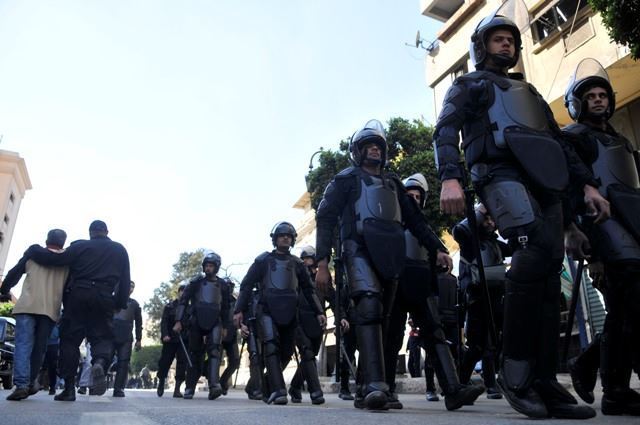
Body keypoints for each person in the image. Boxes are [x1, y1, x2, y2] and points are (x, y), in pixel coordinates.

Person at [433, 11, 609, 419]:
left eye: (511, 39)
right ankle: (515, 373)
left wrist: (585, 190)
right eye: (498, 39)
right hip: (498, 173)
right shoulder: (468, 85)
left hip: (544, 183)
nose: (507, 44)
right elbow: (445, 130)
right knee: (531, 256)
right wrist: (450, 178)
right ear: (481, 48)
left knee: (549, 267)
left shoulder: (529, 92)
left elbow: (558, 144)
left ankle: (545, 380)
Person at [315, 122, 454, 410]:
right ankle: (375, 387)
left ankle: (366, 388)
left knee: (385, 320)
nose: (374, 149)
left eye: (378, 145)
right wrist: (322, 262)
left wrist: (438, 248)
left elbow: (416, 221)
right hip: (357, 249)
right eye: (368, 145)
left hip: (391, 254)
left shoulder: (394, 184)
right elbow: (325, 218)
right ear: (357, 151)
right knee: (368, 306)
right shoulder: (345, 180)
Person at [562, 58, 640, 416]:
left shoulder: (621, 141)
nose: (598, 100)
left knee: (625, 309)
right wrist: (574, 232)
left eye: (602, 95)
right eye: (590, 96)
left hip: (632, 224)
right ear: (578, 103)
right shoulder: (573, 138)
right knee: (630, 302)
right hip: (601, 226)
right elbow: (564, 185)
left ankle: (592, 368)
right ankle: (613, 389)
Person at [383, 172, 482, 410]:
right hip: (395, 286)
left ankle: (453, 390)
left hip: (421, 287)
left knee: (436, 335)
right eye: (409, 196)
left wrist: (439, 253)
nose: (413, 200)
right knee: (391, 339)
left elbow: (430, 247)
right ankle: (385, 390)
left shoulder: (424, 228)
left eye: (418, 197)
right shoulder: (389, 225)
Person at [23, 220, 131, 401]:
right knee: (102, 336)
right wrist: (119, 304)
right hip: (104, 295)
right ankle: (99, 362)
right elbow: (125, 281)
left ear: (90, 233)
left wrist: (34, 250)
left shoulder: (80, 247)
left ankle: (69, 389)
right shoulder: (119, 249)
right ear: (106, 232)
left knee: (70, 341)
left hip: (78, 294)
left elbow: (55, 260)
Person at [234, 222, 326, 405]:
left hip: (291, 312)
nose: (285, 237)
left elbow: (309, 290)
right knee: (270, 346)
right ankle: (278, 391)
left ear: (293, 240)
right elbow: (246, 286)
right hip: (267, 310)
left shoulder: (297, 263)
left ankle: (277, 386)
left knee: (291, 351)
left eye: (289, 235)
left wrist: (319, 312)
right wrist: (238, 311)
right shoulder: (263, 261)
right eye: (282, 235)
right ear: (275, 239)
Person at [0, 229, 69, 401]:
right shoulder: (67, 262)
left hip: (27, 306)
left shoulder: (32, 255)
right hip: (50, 310)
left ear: (46, 240)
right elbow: (69, 289)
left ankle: (21, 385)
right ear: (63, 243)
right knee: (39, 348)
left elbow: (14, 273)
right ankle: (30, 382)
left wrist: (4, 290)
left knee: (23, 345)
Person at [452, 203, 510, 399]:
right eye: (487, 219)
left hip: (497, 296)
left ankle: (494, 382)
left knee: (497, 340)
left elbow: (516, 245)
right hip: (477, 297)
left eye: (493, 219)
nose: (490, 222)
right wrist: (482, 209)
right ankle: (462, 383)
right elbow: (459, 230)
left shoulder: (496, 244)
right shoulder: (470, 241)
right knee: (478, 345)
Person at [172, 252, 232, 400]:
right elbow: (183, 301)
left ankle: (214, 386)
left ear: (216, 267)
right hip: (196, 320)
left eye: (211, 266)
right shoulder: (196, 282)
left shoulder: (223, 285)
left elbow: (226, 307)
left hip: (215, 321)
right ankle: (189, 387)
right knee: (194, 354)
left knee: (215, 352)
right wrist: (179, 321)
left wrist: (225, 326)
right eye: (206, 265)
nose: (208, 268)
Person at [288, 246, 342, 405]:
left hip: (318, 323)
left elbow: (334, 300)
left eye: (310, 260)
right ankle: (315, 392)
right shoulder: (295, 279)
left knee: (309, 358)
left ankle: (295, 386)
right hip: (298, 322)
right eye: (304, 260)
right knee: (307, 354)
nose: (307, 263)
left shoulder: (321, 280)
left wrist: (341, 318)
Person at [111, 280, 142, 397]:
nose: (131, 289)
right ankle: (96, 384)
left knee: (123, 362)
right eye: (129, 286)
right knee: (105, 357)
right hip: (110, 334)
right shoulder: (111, 300)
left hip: (126, 336)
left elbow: (139, 323)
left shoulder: (135, 304)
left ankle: (118, 388)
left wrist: (139, 339)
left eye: (133, 287)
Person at [157, 282, 188, 398]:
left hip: (183, 340)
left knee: (182, 364)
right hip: (170, 339)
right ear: (179, 292)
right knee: (165, 362)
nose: (184, 294)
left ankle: (177, 389)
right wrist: (165, 335)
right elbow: (164, 322)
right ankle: (161, 382)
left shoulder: (189, 308)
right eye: (182, 291)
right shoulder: (170, 306)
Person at [219, 279, 240, 395]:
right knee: (215, 360)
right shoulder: (217, 299)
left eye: (231, 286)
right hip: (218, 334)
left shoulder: (236, 302)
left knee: (235, 361)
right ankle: (215, 384)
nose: (229, 288)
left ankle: (223, 381)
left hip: (232, 335)